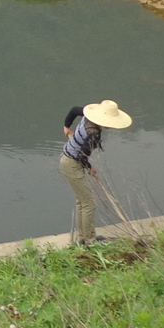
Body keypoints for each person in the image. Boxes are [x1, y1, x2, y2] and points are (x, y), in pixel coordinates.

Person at [60, 100, 133, 245]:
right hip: (72, 164)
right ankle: (90, 241)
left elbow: (74, 109)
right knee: (89, 204)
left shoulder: (88, 117)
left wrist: (66, 126)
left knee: (82, 201)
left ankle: (83, 237)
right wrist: (89, 167)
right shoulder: (93, 135)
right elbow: (82, 156)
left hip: (68, 160)